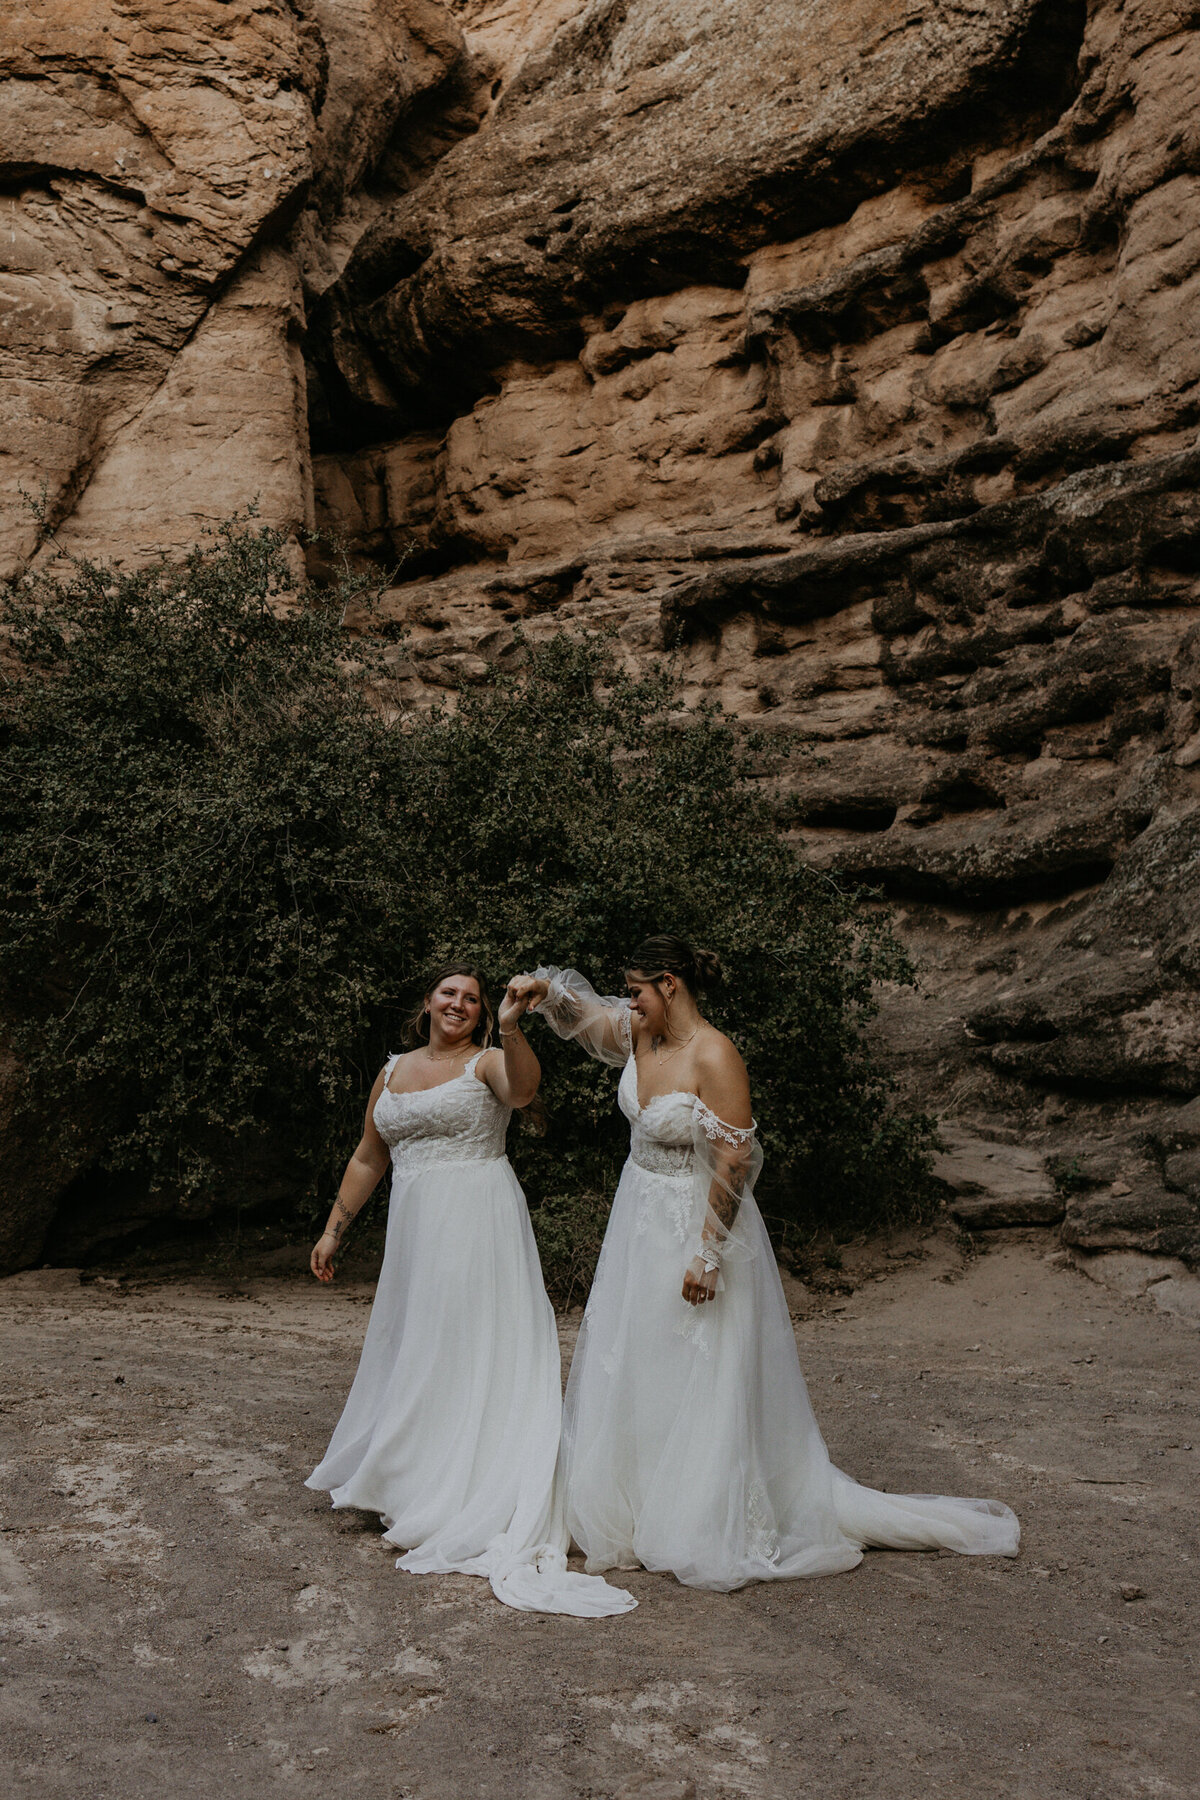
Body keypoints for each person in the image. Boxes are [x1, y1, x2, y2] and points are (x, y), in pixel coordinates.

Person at [511, 936, 1020, 1591]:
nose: (628, 1003)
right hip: (637, 1218)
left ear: (670, 984)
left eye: (637, 990)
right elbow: (586, 1016)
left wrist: (707, 1253)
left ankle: (698, 1513)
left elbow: (734, 1159)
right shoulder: (642, 1034)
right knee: (637, 1356)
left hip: (695, 1224)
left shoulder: (715, 1054)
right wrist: (543, 991)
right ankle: (639, 1505)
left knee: (699, 1362)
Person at [305, 962, 634, 1617]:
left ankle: (470, 1490)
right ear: (427, 1001)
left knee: (472, 1347)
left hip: (479, 1222)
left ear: (481, 1011)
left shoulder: (487, 1061)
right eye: (447, 992)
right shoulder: (393, 1070)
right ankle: (412, 1481)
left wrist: (511, 1027)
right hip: (416, 1233)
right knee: (420, 1348)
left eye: (472, 998)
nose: (457, 1003)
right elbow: (369, 1155)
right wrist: (334, 1231)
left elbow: (520, 1091)